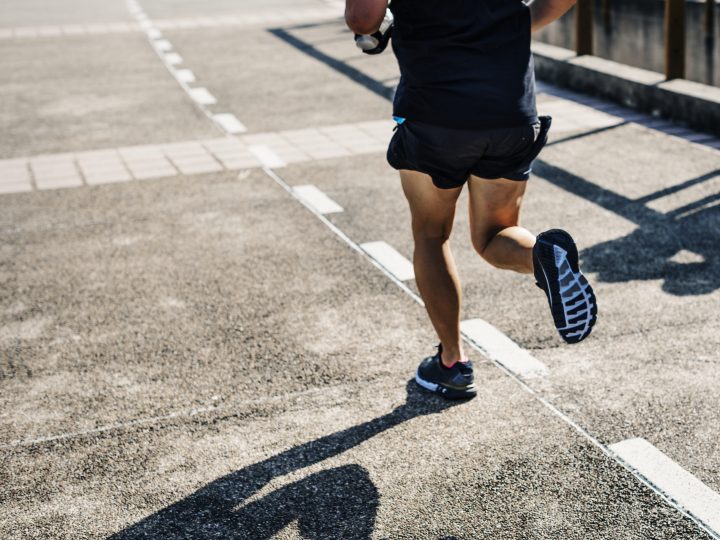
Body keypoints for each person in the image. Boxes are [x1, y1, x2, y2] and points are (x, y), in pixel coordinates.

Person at [345, 0, 597, 400]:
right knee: (495, 234)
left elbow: (362, 18)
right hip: (510, 110)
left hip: (435, 113)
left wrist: (375, 28)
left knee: (431, 235)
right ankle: (541, 256)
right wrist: (517, 24)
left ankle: (452, 364)